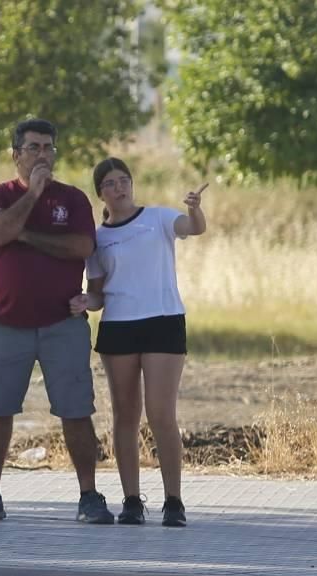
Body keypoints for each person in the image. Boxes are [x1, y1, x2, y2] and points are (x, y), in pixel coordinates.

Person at [0, 118, 115, 524]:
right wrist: (32, 195)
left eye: (49, 148)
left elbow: (81, 246)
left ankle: (89, 496)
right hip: (6, 323)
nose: (43, 155)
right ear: (16, 155)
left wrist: (27, 236)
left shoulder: (73, 199)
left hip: (63, 324)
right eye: (34, 148)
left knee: (76, 410)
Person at [71, 158, 208, 526]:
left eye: (124, 180)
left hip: (163, 320)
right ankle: (131, 500)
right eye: (111, 183)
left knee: (161, 414)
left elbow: (194, 228)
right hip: (119, 327)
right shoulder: (98, 239)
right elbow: (97, 293)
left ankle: (174, 501)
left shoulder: (159, 218)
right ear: (100, 193)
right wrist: (85, 301)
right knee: (125, 416)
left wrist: (194, 209)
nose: (120, 188)